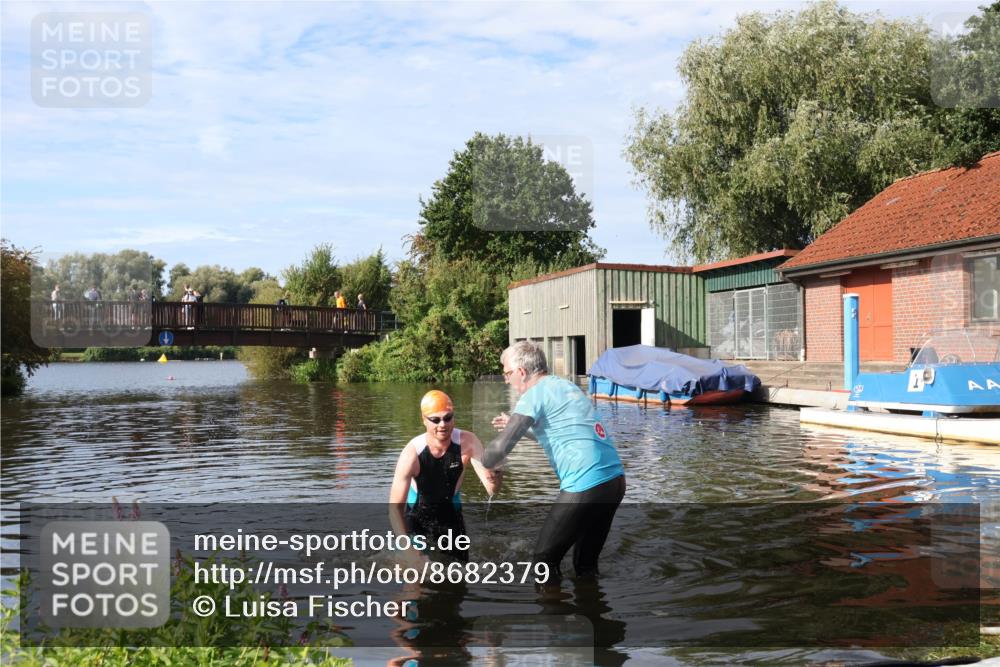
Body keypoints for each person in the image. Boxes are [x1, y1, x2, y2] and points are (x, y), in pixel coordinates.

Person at [483, 341, 625, 586]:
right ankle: (594, 612)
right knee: (585, 565)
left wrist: (483, 460)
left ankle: (553, 617)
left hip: (585, 484)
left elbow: (498, 450)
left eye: (506, 373)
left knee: (543, 563)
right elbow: (558, 432)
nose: (506, 380)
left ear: (521, 372)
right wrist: (514, 426)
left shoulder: (533, 394)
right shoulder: (565, 386)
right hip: (613, 481)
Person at [389, 390, 501, 561]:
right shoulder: (412, 454)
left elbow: (492, 490)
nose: (443, 424)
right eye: (435, 420)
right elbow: (394, 509)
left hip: (451, 516)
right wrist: (407, 548)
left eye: (448, 418)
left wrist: (497, 475)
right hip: (417, 517)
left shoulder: (468, 442)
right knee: (414, 578)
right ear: (424, 420)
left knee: (460, 575)